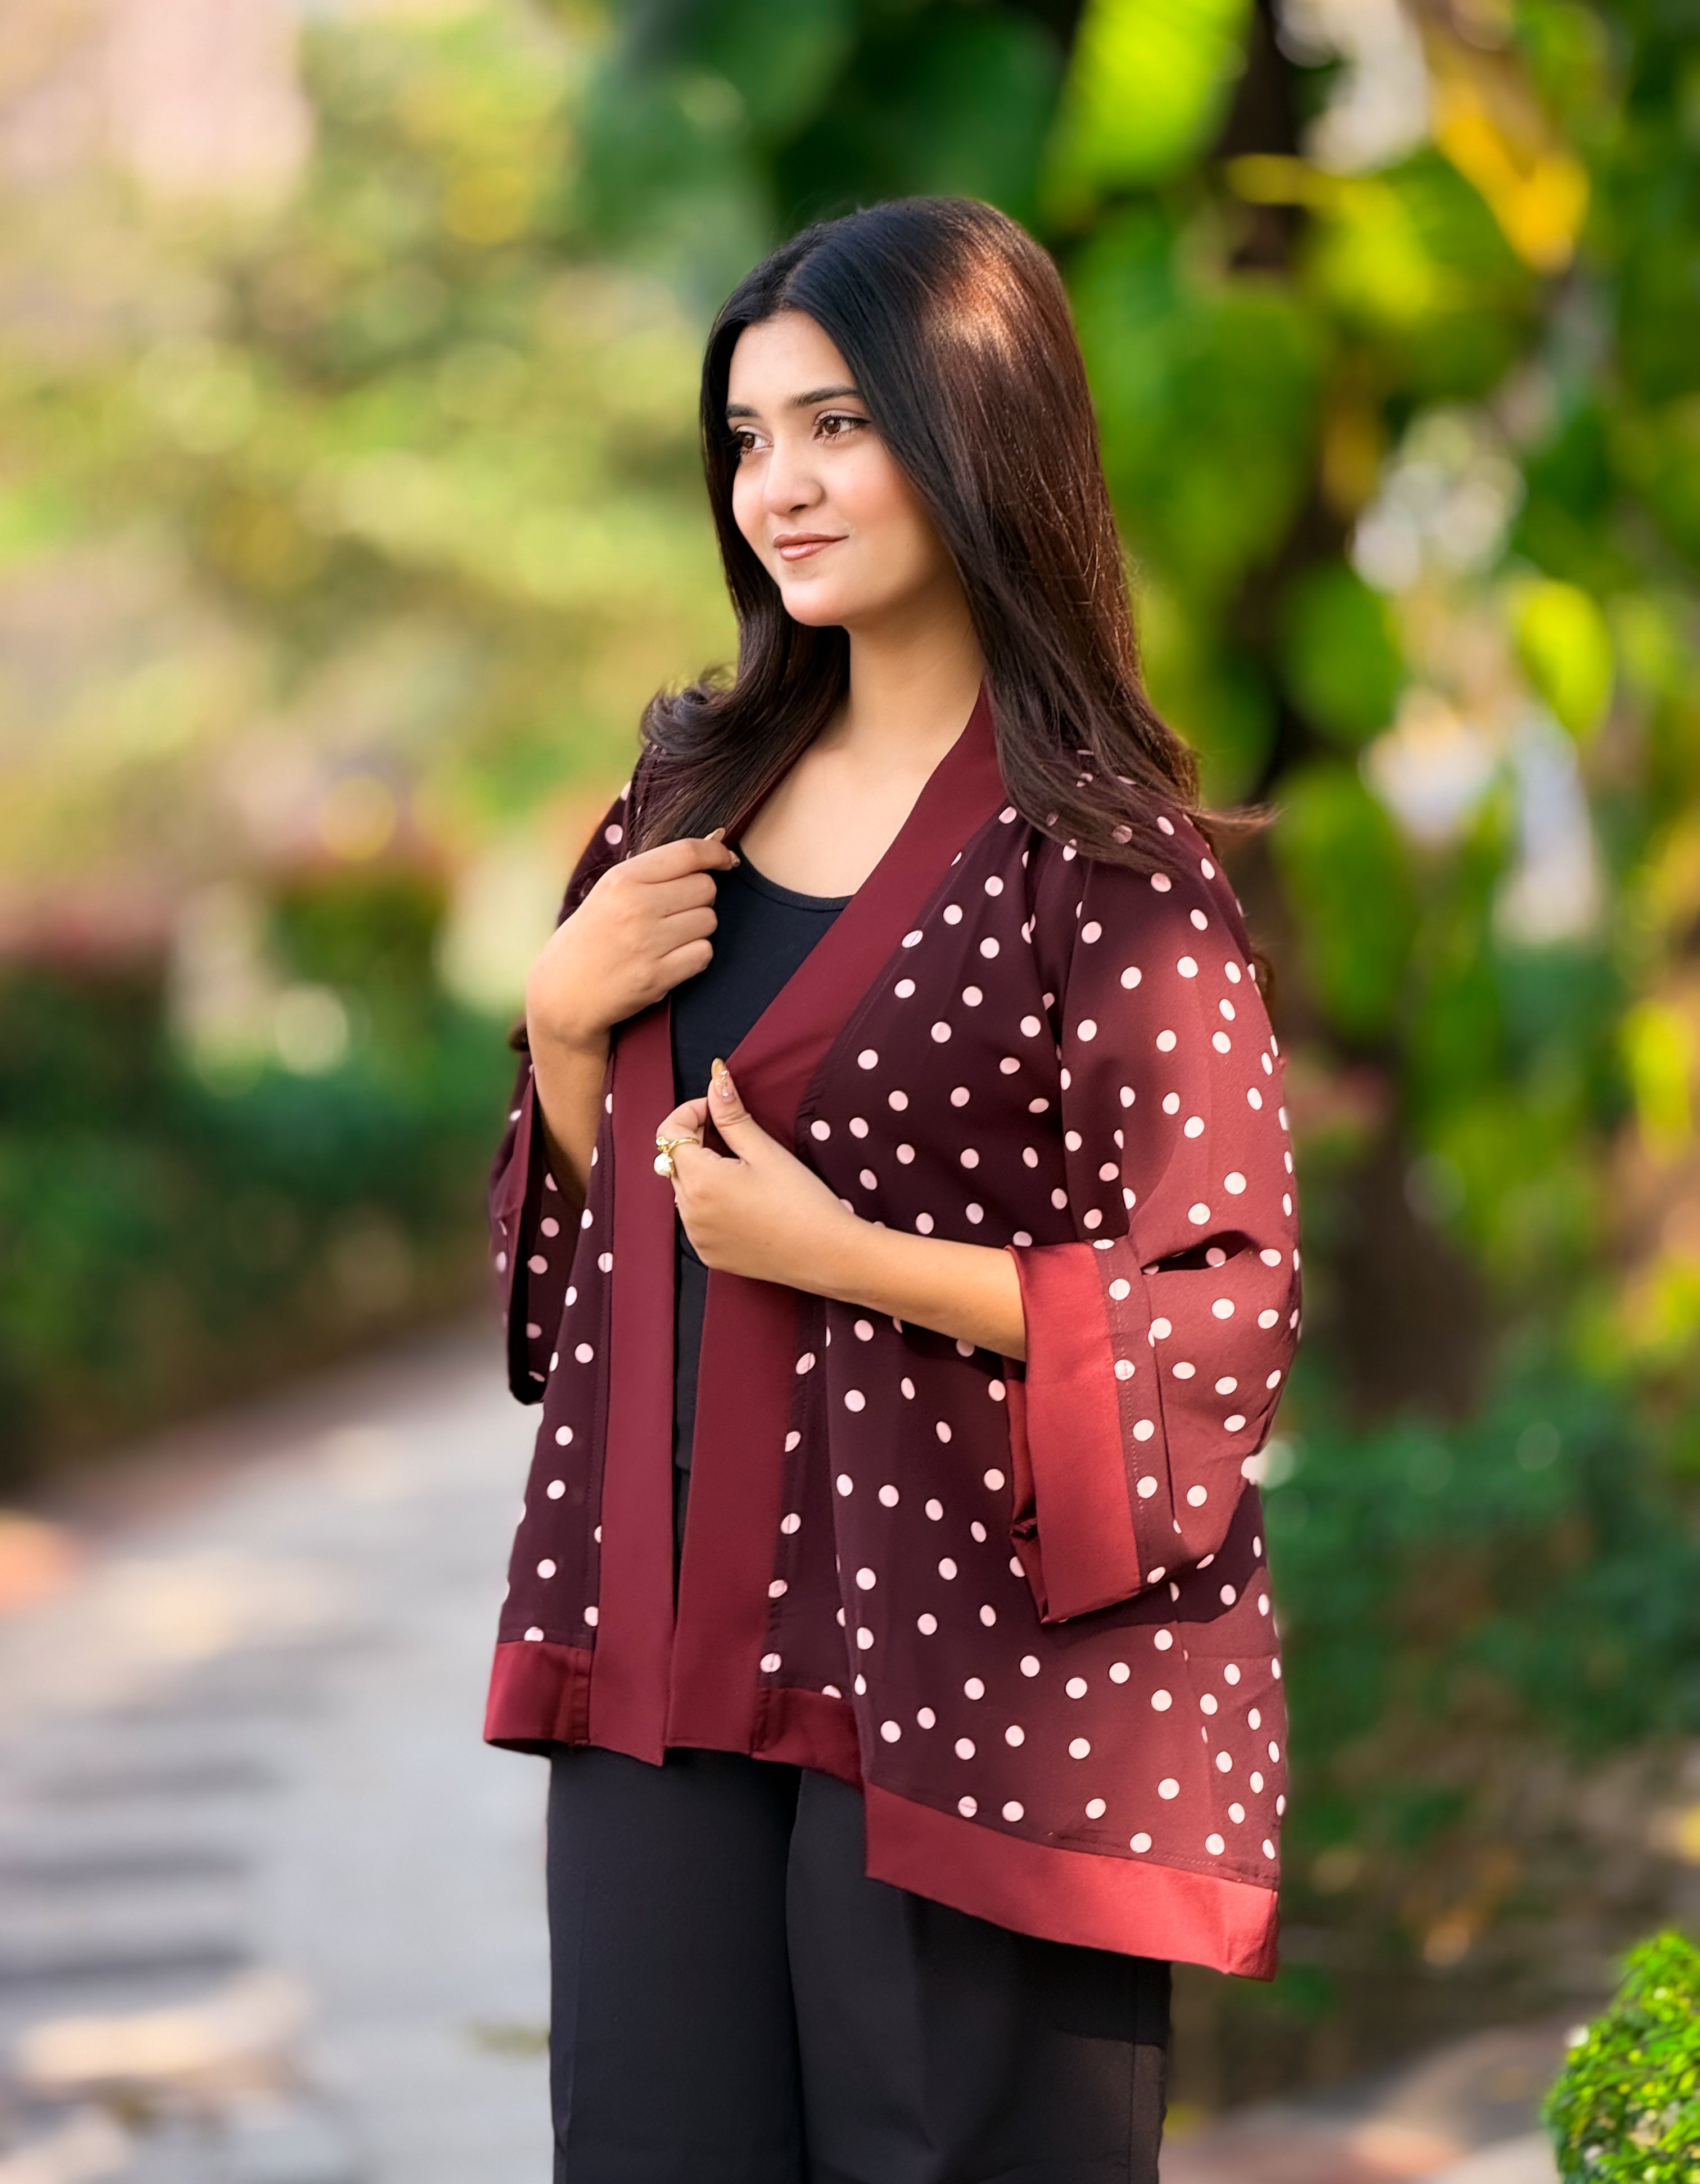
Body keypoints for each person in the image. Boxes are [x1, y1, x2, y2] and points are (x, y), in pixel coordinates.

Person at [485, 196, 1301, 2184]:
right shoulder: (677, 809)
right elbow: (610, 1265)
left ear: (973, 422)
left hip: (975, 1668)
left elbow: (1227, 1298)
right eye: (748, 440)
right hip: (666, 1655)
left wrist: (846, 1259)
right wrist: (564, 1031)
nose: (781, 485)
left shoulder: (1105, 859)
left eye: (836, 425)